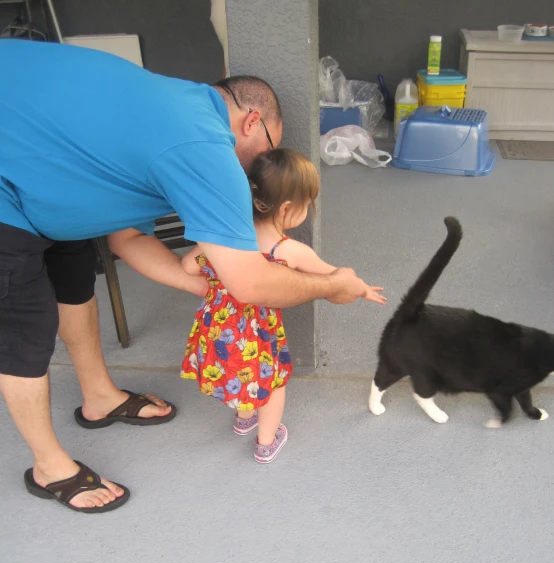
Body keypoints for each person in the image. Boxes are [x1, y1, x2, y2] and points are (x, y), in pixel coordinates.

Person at [0, 39, 376, 513]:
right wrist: (332, 287)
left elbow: (126, 239)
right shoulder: (204, 145)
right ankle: (49, 467)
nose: (264, 166)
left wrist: (203, 286)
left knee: (73, 277)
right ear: (252, 122)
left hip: (40, 156)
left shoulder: (178, 106)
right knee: (24, 327)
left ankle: (98, 398)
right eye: (269, 150)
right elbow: (251, 284)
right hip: (7, 179)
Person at [181, 148, 386, 463]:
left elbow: (188, 266)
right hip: (257, 336)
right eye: (308, 204)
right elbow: (332, 276)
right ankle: (266, 442)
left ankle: (244, 419)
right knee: (271, 382)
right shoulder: (289, 250)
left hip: (220, 331)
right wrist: (359, 287)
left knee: (241, 373)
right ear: (289, 208)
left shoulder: (227, 239)